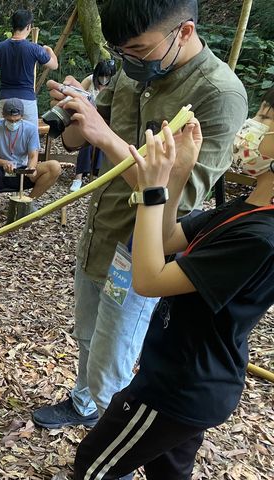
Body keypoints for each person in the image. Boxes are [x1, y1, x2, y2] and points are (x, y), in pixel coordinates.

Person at [31, 0, 247, 435]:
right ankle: (83, 403)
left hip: (141, 252)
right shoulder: (134, 69)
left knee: (114, 359)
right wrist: (78, 109)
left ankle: (113, 451)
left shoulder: (219, 95)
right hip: (100, 232)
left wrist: (105, 137)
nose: (128, 60)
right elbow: (77, 139)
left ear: (183, 32)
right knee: (88, 336)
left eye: (139, 49)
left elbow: (178, 197)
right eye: (121, 50)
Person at [75, 92, 274, 479]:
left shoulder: (261, 237)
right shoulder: (249, 207)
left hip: (175, 387)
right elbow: (165, 241)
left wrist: (151, 189)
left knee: (94, 467)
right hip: (194, 379)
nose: (253, 127)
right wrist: (177, 175)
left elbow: (149, 279)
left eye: (267, 119)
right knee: (169, 472)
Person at [0, 98, 62, 218]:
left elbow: (33, 155)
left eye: (17, 120)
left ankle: (28, 203)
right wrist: (4, 162)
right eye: (9, 120)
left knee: (54, 167)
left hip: (22, 170)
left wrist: (31, 167)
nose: (13, 123)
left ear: (22, 116)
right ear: (3, 115)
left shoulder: (30, 129)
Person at [0, 9, 58, 124]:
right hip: (27, 98)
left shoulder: (0, 47)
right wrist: (49, 50)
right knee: (30, 137)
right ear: (28, 27)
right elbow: (54, 65)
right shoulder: (34, 48)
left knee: (6, 137)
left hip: (5, 97)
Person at [69, 59, 117, 192]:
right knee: (86, 142)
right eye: (101, 76)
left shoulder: (115, 85)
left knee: (105, 141)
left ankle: (97, 173)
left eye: (107, 76)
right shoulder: (89, 80)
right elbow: (77, 95)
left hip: (106, 121)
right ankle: (78, 177)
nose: (104, 79)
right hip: (87, 120)